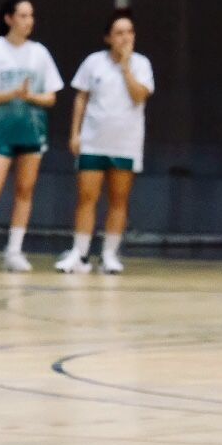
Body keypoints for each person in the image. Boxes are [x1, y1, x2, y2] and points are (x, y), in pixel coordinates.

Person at [0, 0, 64, 273]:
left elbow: (51, 97)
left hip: (32, 131)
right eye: (22, 15)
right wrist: (12, 94)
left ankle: (14, 251)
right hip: (0, 131)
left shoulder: (40, 53)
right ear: (9, 19)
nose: (28, 21)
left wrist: (31, 97)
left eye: (31, 16)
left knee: (25, 190)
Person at [55, 15, 155, 275]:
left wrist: (125, 68)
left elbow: (139, 96)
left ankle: (110, 253)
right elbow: (81, 98)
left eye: (129, 32)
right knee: (87, 197)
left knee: (119, 199)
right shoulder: (93, 62)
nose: (125, 38)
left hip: (125, 143)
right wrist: (75, 133)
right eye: (119, 33)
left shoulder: (142, 64)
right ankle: (80, 253)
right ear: (108, 37)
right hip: (93, 141)